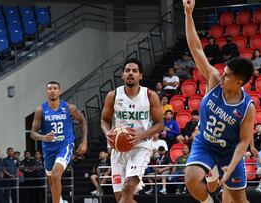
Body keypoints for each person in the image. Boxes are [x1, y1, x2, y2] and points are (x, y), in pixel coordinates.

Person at [184, 1, 256, 202]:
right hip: (205, 142)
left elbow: (243, 141)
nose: (222, 76)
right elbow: (196, 49)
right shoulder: (215, 80)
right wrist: (188, 14)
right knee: (190, 179)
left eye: (227, 75)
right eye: (223, 73)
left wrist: (232, 165)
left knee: (238, 200)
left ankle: (217, 176)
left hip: (229, 153)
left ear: (239, 82)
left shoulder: (246, 107)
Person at [101, 58, 164, 203]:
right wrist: (107, 133)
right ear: (122, 75)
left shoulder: (150, 95)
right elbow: (104, 120)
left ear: (140, 76)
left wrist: (142, 134)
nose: (130, 73)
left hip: (141, 146)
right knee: (121, 198)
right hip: (118, 148)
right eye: (127, 71)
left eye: (134, 71)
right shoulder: (113, 95)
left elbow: (160, 124)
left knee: (128, 188)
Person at [30, 81, 88, 203]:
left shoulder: (69, 107)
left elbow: (83, 121)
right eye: (49, 88)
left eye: (55, 88)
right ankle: (60, 201)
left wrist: (84, 142)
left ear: (59, 91)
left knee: (56, 175)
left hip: (64, 146)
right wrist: (43, 137)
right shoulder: (41, 110)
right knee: (52, 182)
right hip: (48, 149)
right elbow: (33, 133)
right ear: (46, 92)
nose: (52, 90)